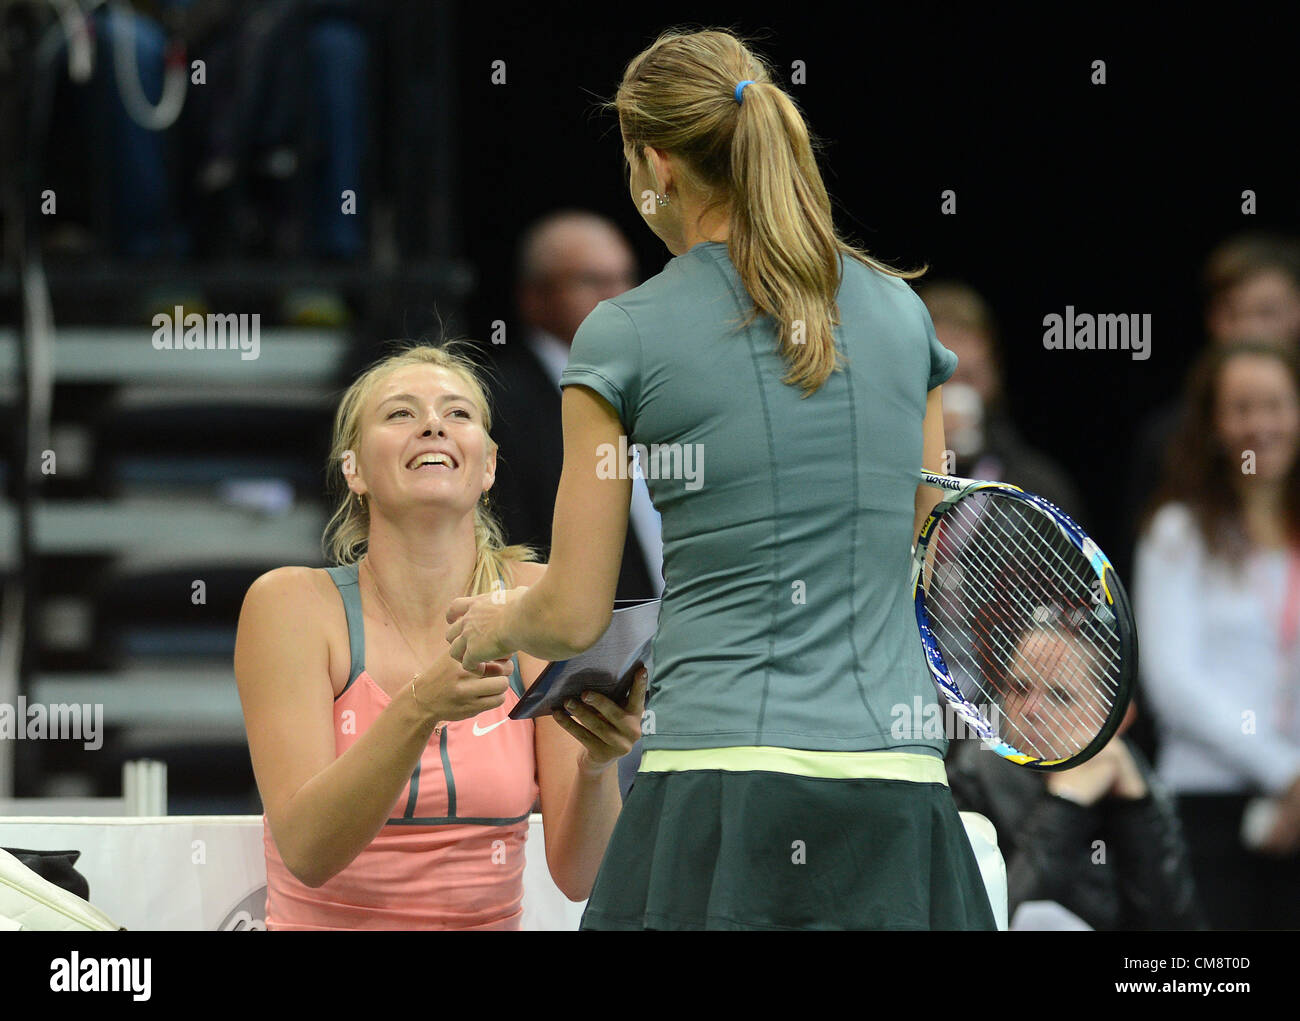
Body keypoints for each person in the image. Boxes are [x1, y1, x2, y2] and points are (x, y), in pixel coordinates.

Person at [445, 27, 996, 930]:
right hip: (897, 783)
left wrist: (493, 623)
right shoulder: (904, 313)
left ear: (655, 162)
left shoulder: (623, 332)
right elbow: (925, 543)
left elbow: (575, 611)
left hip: (717, 782)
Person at [232, 342, 644, 930]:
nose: (432, 425)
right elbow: (308, 852)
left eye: (458, 414)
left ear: (489, 465)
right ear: (353, 469)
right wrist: (420, 708)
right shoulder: (291, 604)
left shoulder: (541, 601)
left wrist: (599, 768)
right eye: (400, 413)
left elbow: (580, 876)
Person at [1133, 340, 1300, 929]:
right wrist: (1285, 773)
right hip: (1208, 808)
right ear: (1213, 423)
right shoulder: (1178, 532)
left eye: (1277, 404)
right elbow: (1173, 683)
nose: (1262, 425)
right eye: (1242, 407)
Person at [946, 625, 1204, 930]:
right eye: (1019, 688)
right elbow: (987, 922)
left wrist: (1137, 812)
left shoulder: (1134, 778)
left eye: (1059, 695)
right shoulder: (968, 777)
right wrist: (1066, 804)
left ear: (1118, 718)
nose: (1031, 710)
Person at [488, 210, 662, 600]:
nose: (618, 296)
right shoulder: (496, 402)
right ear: (534, 296)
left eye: (624, 278)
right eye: (592, 281)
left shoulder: (658, 387)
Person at [914, 280, 1086, 523]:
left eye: (968, 378)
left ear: (994, 377)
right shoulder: (884, 482)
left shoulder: (1038, 490)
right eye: (941, 378)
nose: (955, 393)